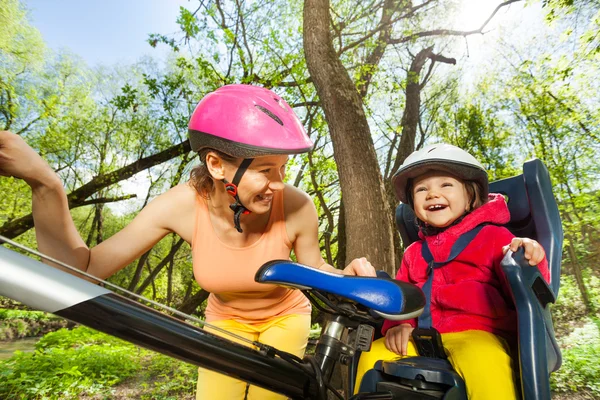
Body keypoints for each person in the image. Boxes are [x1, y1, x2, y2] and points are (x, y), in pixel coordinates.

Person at [0, 84, 376, 400]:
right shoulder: (180, 206)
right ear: (216, 165)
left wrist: (349, 276)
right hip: (225, 321)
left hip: (285, 317)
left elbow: (315, 270)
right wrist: (46, 185)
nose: (278, 184)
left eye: (282, 169)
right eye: (265, 170)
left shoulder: (296, 206)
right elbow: (81, 270)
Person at [355, 143, 550, 399]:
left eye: (446, 185)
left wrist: (528, 252)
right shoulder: (414, 252)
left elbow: (531, 288)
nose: (432, 194)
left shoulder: (494, 237)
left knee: (485, 362)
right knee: (372, 354)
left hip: (480, 334)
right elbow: (403, 297)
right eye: (421, 189)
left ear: (470, 196)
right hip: (422, 337)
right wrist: (399, 325)